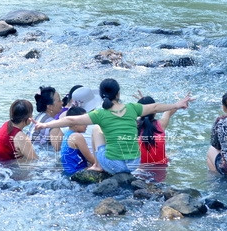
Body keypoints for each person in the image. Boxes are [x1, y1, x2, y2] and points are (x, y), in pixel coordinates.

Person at [35, 78, 193, 175]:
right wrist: (177, 104)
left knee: (98, 129)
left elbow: (71, 121)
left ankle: (97, 165)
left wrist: (45, 124)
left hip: (113, 164)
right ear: (118, 94)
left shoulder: (100, 114)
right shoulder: (132, 108)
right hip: (133, 163)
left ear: (102, 95)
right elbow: (155, 107)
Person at [137, 95, 185, 182]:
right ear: (155, 112)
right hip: (161, 171)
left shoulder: (132, 126)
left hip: (140, 171)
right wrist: (181, 103)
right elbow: (168, 111)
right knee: (175, 153)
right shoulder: (161, 125)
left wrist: (142, 108)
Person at [60, 107, 101, 176]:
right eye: (84, 121)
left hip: (68, 173)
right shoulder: (77, 137)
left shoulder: (67, 134)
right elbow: (91, 160)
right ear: (75, 124)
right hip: (77, 174)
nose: (87, 124)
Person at [30, 86, 65, 150]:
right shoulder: (53, 124)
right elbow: (57, 148)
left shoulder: (39, 116)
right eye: (59, 100)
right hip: (40, 157)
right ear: (50, 107)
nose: (62, 102)